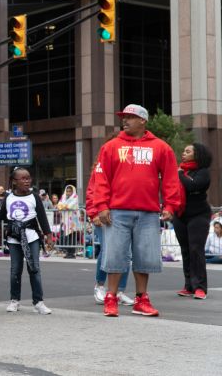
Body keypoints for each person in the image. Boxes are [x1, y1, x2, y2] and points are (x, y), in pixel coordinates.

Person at [91, 104, 181, 317]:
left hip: (148, 212)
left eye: (130, 117)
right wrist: (101, 205)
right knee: (115, 256)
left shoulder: (161, 147)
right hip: (117, 212)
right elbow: (100, 178)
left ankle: (142, 299)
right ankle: (111, 298)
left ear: (143, 120)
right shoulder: (111, 147)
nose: (125, 120)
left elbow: (170, 179)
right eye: (124, 117)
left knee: (145, 257)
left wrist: (170, 205)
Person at [0, 167, 53, 315]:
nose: (27, 181)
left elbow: (42, 218)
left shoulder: (34, 197)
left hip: (32, 237)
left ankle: (39, 302)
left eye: (28, 178)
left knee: (34, 269)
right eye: (23, 178)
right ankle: (14, 300)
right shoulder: (9, 198)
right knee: (15, 270)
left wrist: (48, 235)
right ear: (14, 181)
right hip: (14, 239)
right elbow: (2, 215)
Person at [86, 135, 134, 307]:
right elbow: (93, 192)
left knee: (126, 253)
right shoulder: (101, 166)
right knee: (108, 250)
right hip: (103, 215)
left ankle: (119, 291)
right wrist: (94, 214)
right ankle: (100, 286)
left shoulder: (129, 165)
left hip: (123, 214)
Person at [172, 143, 213, 300]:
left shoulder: (202, 172)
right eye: (184, 151)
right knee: (185, 250)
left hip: (199, 215)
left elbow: (192, 185)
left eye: (188, 151)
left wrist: (180, 174)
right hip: (180, 215)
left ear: (197, 155)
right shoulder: (181, 170)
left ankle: (200, 287)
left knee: (196, 249)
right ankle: (188, 285)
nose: (184, 153)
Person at [57, 185, 81, 259]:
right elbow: (59, 205)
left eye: (70, 191)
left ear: (73, 191)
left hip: (73, 220)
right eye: (67, 191)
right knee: (67, 236)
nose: (68, 193)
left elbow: (70, 206)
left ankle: (72, 253)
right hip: (65, 219)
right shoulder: (63, 196)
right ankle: (68, 252)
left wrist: (64, 206)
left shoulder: (75, 197)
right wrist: (64, 206)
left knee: (72, 236)